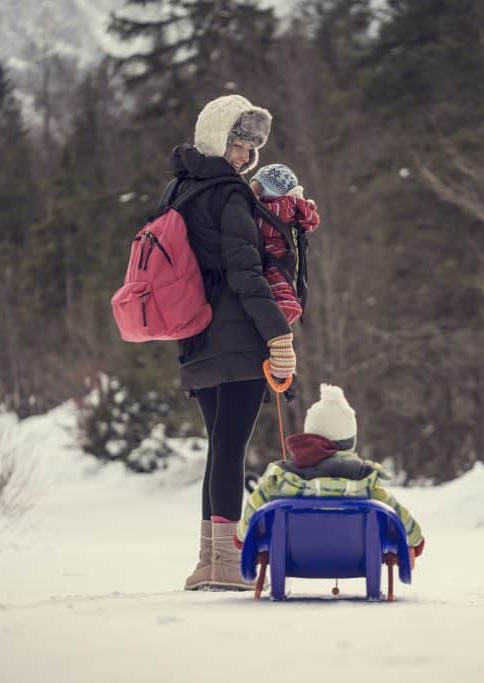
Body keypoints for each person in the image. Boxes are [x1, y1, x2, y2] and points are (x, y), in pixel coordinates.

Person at [173, 94, 297, 591]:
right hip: (237, 336)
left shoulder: (178, 190)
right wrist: (278, 334)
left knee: (219, 446)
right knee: (230, 446)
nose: (245, 157)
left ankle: (209, 559)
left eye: (250, 148)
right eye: (238, 144)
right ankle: (225, 561)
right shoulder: (229, 195)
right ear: (216, 138)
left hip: (194, 335)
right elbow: (246, 272)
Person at [233, 384, 426, 562]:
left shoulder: (280, 480)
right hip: (354, 561)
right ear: (350, 441)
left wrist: (241, 538)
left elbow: (250, 516)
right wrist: (415, 541)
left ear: (309, 435)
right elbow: (399, 517)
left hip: (295, 560)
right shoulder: (365, 482)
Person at [248, 163, 321, 326]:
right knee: (279, 287)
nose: (251, 193)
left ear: (272, 194)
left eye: (257, 189)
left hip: (276, 257)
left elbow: (255, 223)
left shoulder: (276, 210)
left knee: (279, 287)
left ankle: (283, 313)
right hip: (278, 259)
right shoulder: (284, 209)